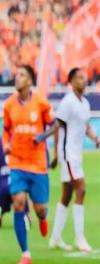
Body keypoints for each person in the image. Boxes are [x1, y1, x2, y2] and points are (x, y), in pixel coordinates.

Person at [2, 64, 56, 264]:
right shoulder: (9, 105)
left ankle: (42, 218)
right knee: (18, 202)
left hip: (37, 162)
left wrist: (41, 137)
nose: (17, 78)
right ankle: (25, 253)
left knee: (40, 208)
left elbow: (55, 125)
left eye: (22, 75)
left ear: (30, 81)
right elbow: (5, 130)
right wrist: (6, 144)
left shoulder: (41, 103)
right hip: (17, 161)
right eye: (17, 75)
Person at [43, 68, 99, 252]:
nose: (84, 81)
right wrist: (55, 154)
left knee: (66, 196)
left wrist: (96, 139)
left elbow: (86, 126)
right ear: (72, 82)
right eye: (79, 78)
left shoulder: (85, 103)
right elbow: (57, 126)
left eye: (84, 78)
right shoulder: (67, 102)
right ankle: (80, 238)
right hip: (68, 155)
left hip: (76, 155)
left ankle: (55, 238)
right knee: (81, 190)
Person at [0, 136, 30, 230]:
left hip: (3, 183)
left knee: (1, 203)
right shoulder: (21, 140)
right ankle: (25, 216)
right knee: (21, 203)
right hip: (17, 184)